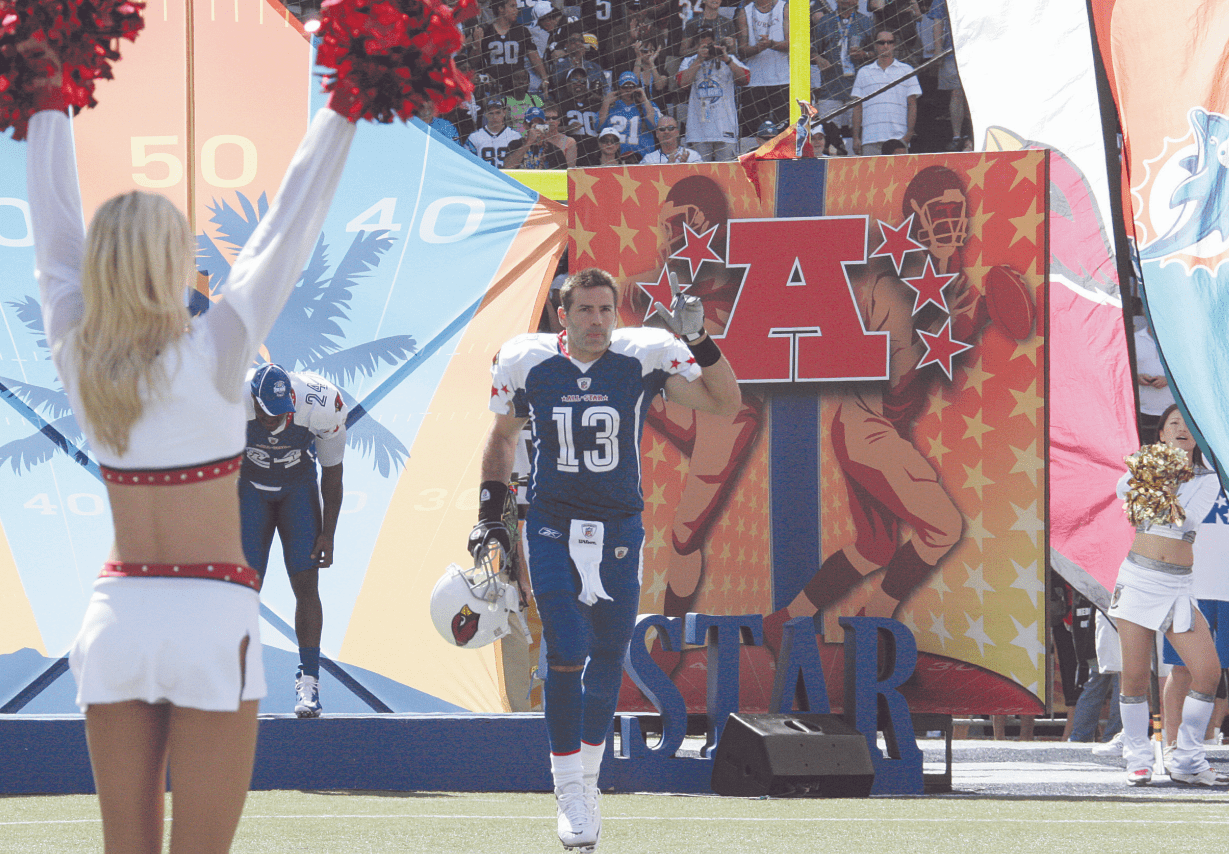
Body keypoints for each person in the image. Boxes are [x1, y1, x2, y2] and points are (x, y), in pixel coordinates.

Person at [24, 41, 357, 853]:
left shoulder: (77, 351)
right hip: (212, 610)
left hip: (116, 615)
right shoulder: (218, 346)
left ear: (103, 263)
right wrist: (349, 100)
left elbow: (51, 225)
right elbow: (290, 224)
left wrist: (45, 88)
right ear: (173, 258)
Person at [473, 269, 740, 850]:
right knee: (566, 647)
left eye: (605, 310)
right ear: (562, 316)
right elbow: (502, 438)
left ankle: (586, 784)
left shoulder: (641, 357)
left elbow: (727, 401)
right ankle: (567, 789)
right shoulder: (527, 360)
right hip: (551, 524)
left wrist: (700, 340)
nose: (597, 321)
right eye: (585, 310)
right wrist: (491, 513)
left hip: (619, 526)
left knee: (608, 658)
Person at [1107, 404, 1226, 786]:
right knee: (1134, 677)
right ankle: (1138, 758)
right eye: (1173, 422)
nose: (1181, 429)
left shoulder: (1208, 479)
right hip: (1138, 579)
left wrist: (1159, 482)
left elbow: (1186, 518)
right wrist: (1152, 471)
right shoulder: (1142, 470)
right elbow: (1122, 490)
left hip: (1178, 586)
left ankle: (1187, 757)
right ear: (1161, 433)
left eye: (1188, 424)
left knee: (1207, 673)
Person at [241, 364, 348, 718]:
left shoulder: (321, 404)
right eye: (264, 413)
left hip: (297, 491)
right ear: (252, 400)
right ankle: (236, 680)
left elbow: (333, 474)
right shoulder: (228, 398)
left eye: (279, 412)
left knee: (305, 582)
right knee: (242, 590)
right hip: (250, 491)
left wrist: (329, 533)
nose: (272, 420)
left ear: (291, 399)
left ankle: (310, 680)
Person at [677, 27, 749, 162]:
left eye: (710, 44)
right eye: (703, 45)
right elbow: (683, 83)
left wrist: (726, 59)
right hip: (698, 131)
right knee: (700, 172)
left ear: (715, 43)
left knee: (726, 171)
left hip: (725, 129)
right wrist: (699, 60)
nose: (708, 49)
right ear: (696, 46)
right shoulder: (689, 61)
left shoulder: (728, 59)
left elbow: (745, 79)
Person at [850, 30, 920, 155]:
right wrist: (856, 137)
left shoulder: (907, 70)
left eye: (889, 42)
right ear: (875, 45)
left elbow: (912, 105)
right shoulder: (863, 72)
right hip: (870, 138)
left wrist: (908, 135)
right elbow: (857, 107)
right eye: (881, 42)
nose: (885, 46)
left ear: (894, 45)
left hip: (898, 139)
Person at [812, 0, 875, 120]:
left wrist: (865, 54)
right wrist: (818, 58)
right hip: (830, 91)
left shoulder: (865, 22)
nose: (845, 0)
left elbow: (876, 53)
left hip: (858, 92)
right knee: (829, 130)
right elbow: (813, 49)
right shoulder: (825, 22)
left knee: (855, 130)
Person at [736, 0, 790, 138]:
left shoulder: (784, 8)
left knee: (784, 131)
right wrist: (758, 48)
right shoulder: (744, 11)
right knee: (752, 133)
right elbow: (741, 50)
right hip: (754, 82)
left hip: (782, 80)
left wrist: (771, 44)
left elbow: (792, 44)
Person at [474, 0, 549, 96]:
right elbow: (474, 62)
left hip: (517, 89)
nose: (516, 10)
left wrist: (544, 78)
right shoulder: (486, 31)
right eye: (512, 6)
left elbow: (534, 57)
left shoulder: (522, 31)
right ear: (501, 9)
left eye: (516, 7)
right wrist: (477, 44)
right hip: (493, 89)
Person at [923, 0, 968, 150]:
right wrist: (938, 51)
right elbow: (938, 21)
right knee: (957, 93)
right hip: (952, 52)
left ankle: (973, 132)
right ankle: (957, 136)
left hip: (977, 50)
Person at [598, 71, 662, 161]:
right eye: (625, 87)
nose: (628, 90)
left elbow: (654, 125)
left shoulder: (649, 105)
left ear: (637, 88)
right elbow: (598, 126)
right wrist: (606, 103)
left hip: (643, 159)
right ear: (619, 88)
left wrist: (644, 100)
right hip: (615, 159)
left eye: (632, 87)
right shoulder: (611, 106)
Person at [504, 105, 573, 168]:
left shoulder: (554, 150)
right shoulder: (515, 145)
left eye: (540, 124)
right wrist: (529, 142)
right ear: (525, 125)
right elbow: (507, 166)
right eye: (533, 124)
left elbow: (562, 175)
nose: (537, 128)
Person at [466, 95, 523, 168]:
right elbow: (467, 164)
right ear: (486, 114)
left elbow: (520, 165)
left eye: (498, 112)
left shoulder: (515, 136)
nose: (494, 117)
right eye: (491, 113)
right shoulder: (474, 138)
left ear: (504, 113)